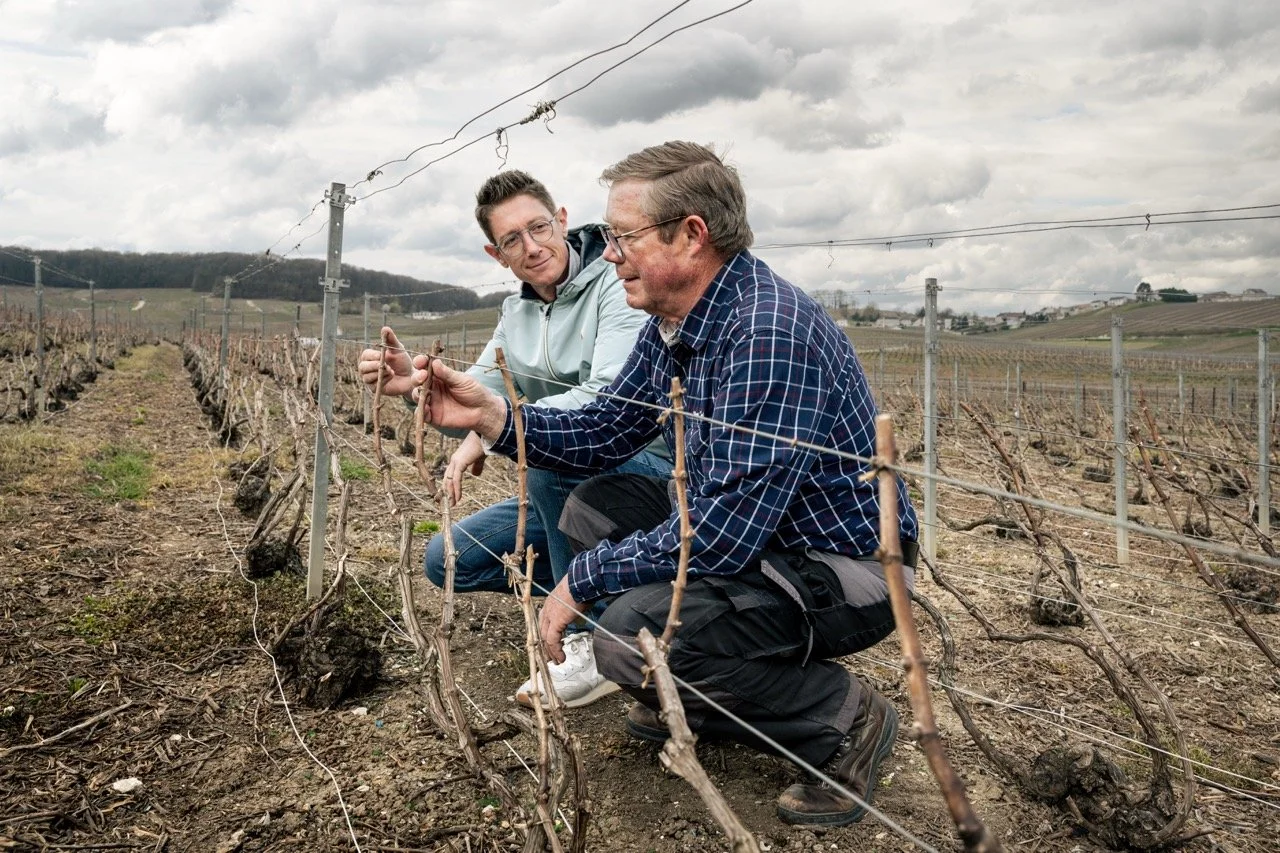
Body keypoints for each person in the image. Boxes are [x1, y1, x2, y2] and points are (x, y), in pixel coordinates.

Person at [386, 142, 918, 828]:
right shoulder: (678, 322)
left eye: (624, 237)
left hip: (845, 571)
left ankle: (844, 715)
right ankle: (697, 689)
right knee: (593, 510)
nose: (609, 254)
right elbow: (609, 427)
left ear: (691, 235)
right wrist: (494, 416)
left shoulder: (765, 332)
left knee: (624, 632)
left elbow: (723, 532)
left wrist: (581, 583)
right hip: (765, 543)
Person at [359, 170, 671, 709]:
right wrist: (417, 381)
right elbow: (474, 394)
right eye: (511, 240)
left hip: (647, 472)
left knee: (546, 459)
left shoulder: (616, 286)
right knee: (449, 558)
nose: (532, 247)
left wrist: (499, 424)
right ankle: (622, 595)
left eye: (539, 227)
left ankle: (589, 641)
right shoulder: (515, 312)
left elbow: (607, 402)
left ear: (563, 221)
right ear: (494, 253)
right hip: (566, 483)